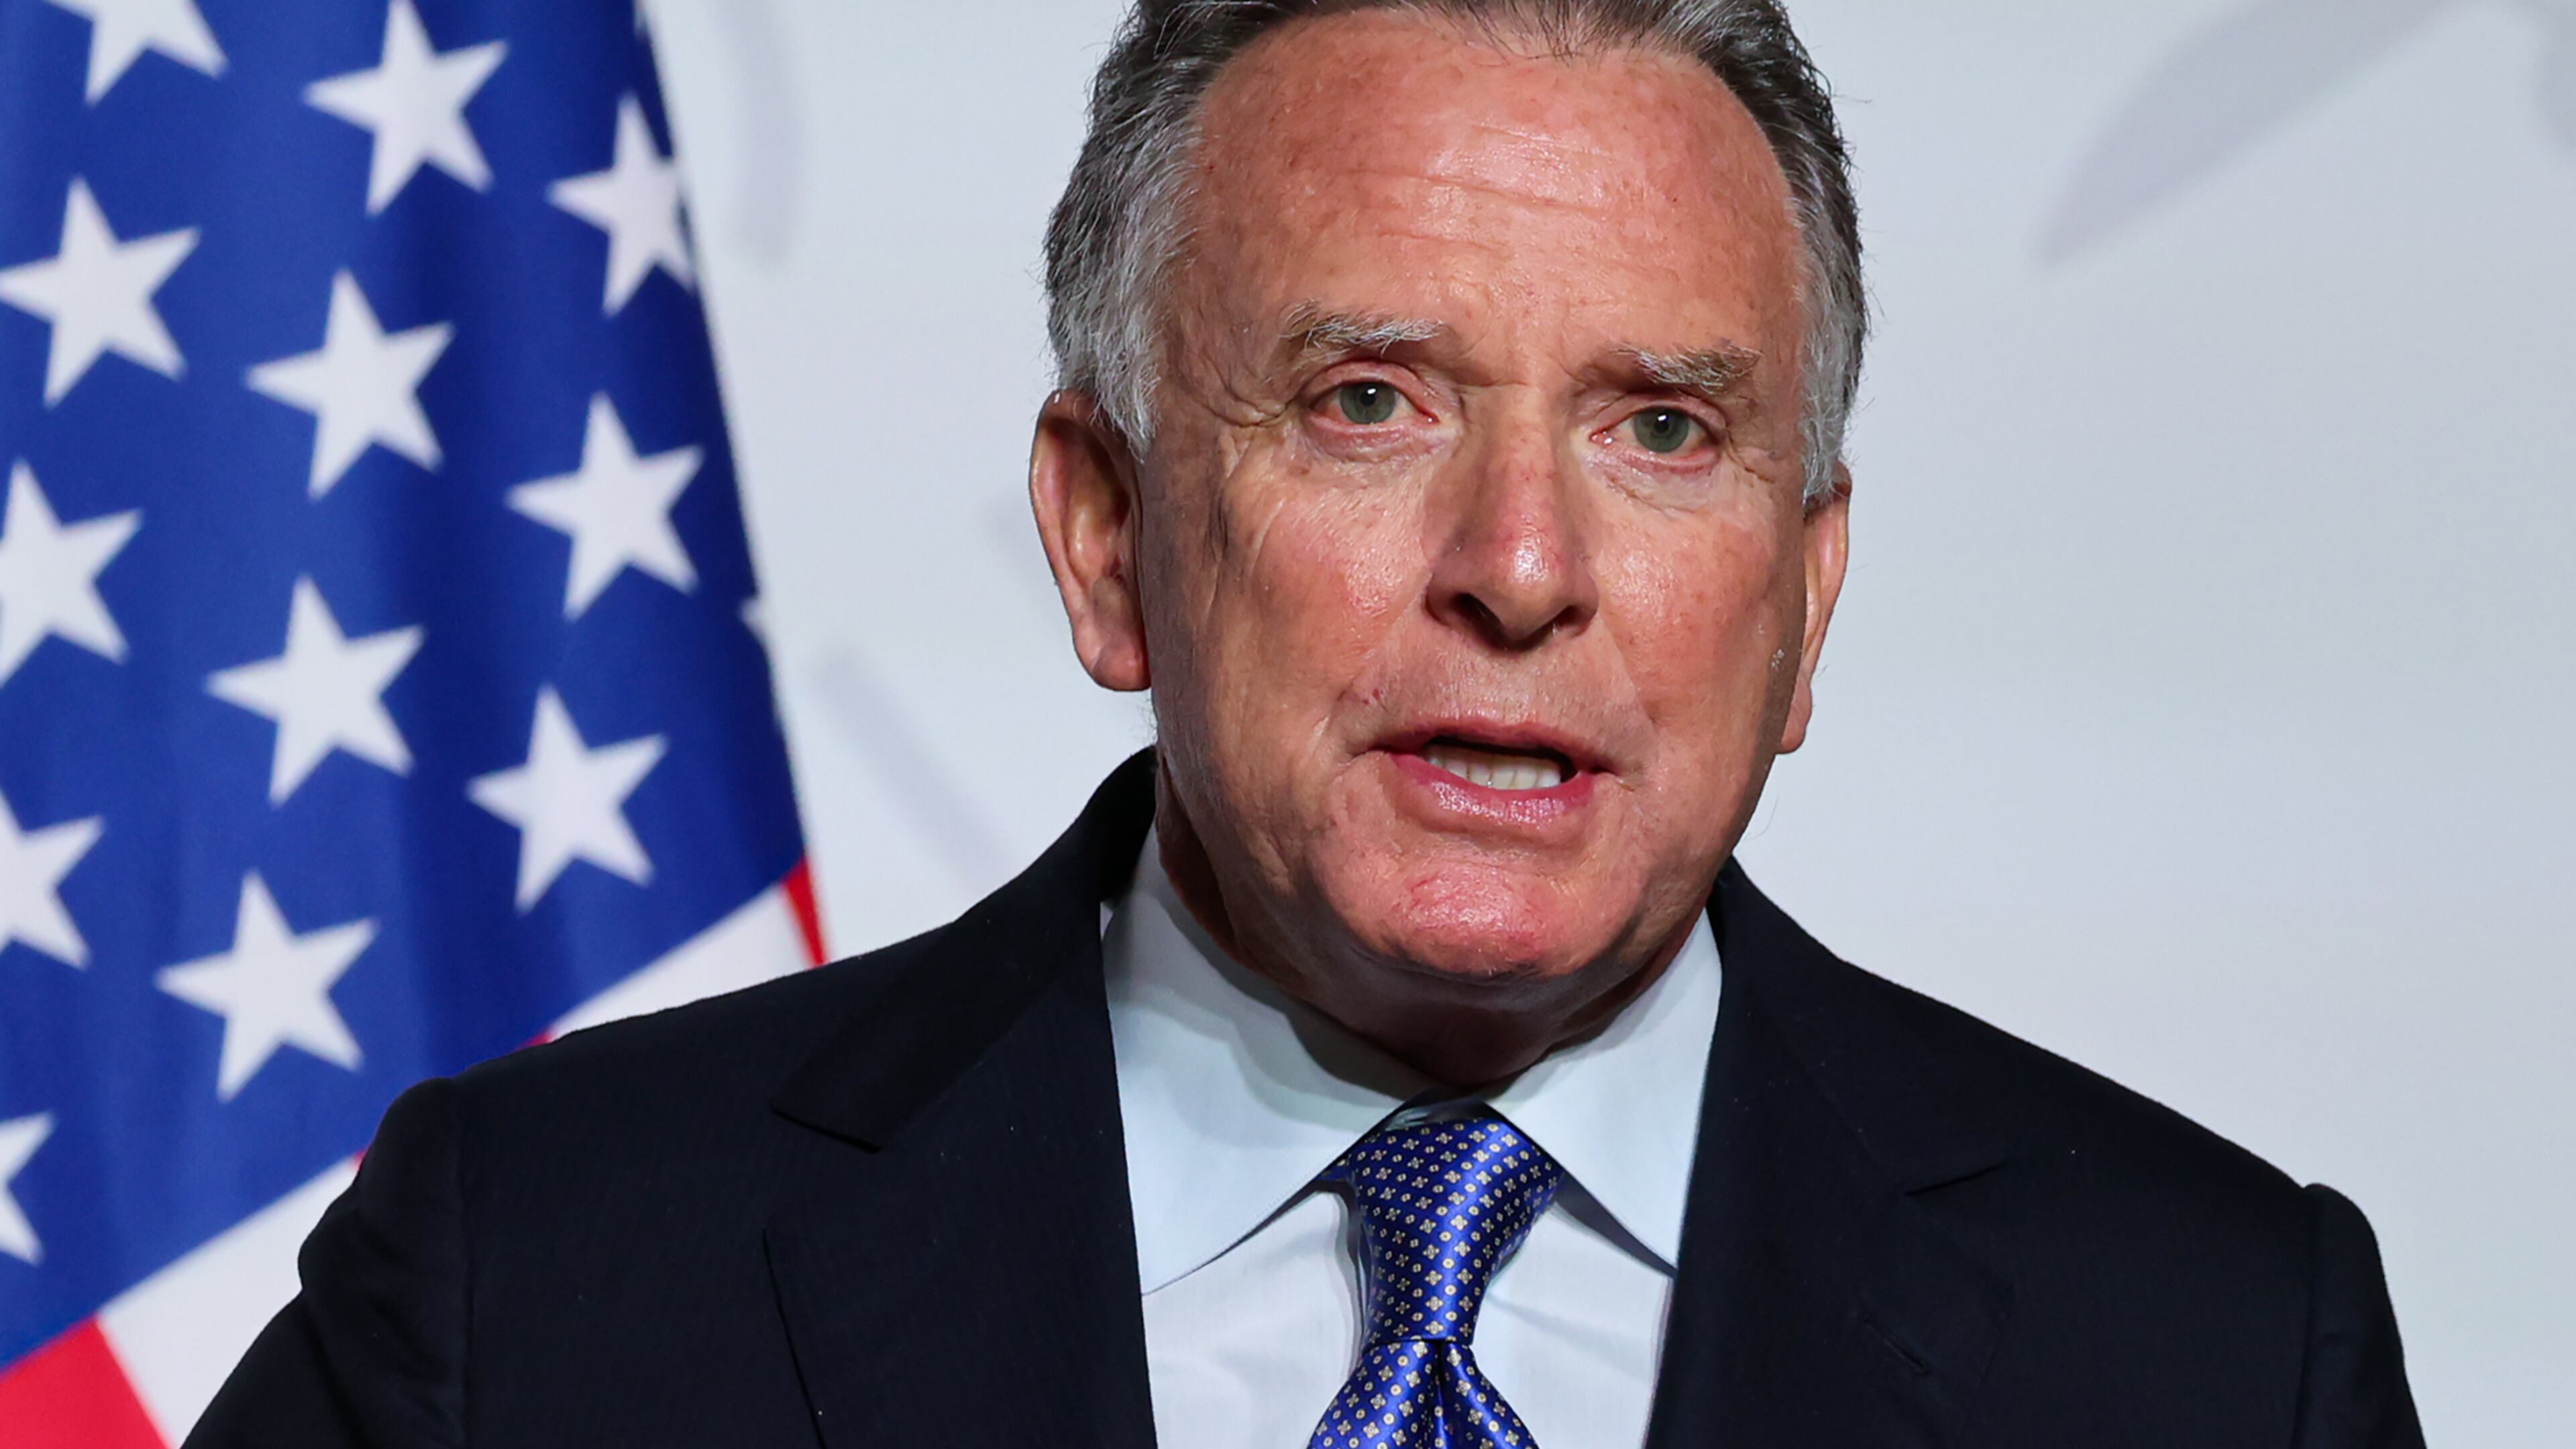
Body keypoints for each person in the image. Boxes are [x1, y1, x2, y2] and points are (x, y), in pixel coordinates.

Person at [189, 1, 2425, 1445]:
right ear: (1104, 532)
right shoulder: (547, 1292)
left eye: (1662, 428)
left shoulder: (2215, 1355)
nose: (1522, 565)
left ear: (1807, 597)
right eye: (1370, 403)